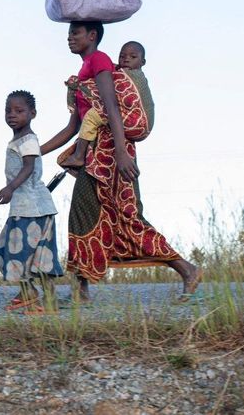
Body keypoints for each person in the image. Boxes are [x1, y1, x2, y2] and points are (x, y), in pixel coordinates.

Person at [40, 22, 201, 302]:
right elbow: (73, 127)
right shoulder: (83, 72)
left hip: (112, 155)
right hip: (94, 157)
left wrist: (122, 152)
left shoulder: (100, 61)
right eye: (68, 33)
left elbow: (112, 106)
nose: (69, 38)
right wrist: (34, 151)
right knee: (83, 214)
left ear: (92, 36)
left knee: (127, 217)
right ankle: (81, 289)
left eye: (75, 33)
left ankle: (186, 269)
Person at [0, 90, 64, 314]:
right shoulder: (18, 139)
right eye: (8, 111)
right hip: (22, 208)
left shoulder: (29, 140)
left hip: (34, 209)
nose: (12, 115)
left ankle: (49, 301)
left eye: (19, 111)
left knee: (37, 259)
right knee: (6, 252)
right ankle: (27, 291)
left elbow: (29, 167)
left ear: (32, 113)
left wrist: (11, 187)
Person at [61, 41, 154, 169]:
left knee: (91, 117)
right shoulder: (118, 70)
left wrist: (79, 84)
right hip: (132, 125)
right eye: (122, 56)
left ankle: (78, 156)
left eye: (133, 57)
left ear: (143, 62)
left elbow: (109, 87)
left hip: (134, 120)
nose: (126, 59)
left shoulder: (131, 76)